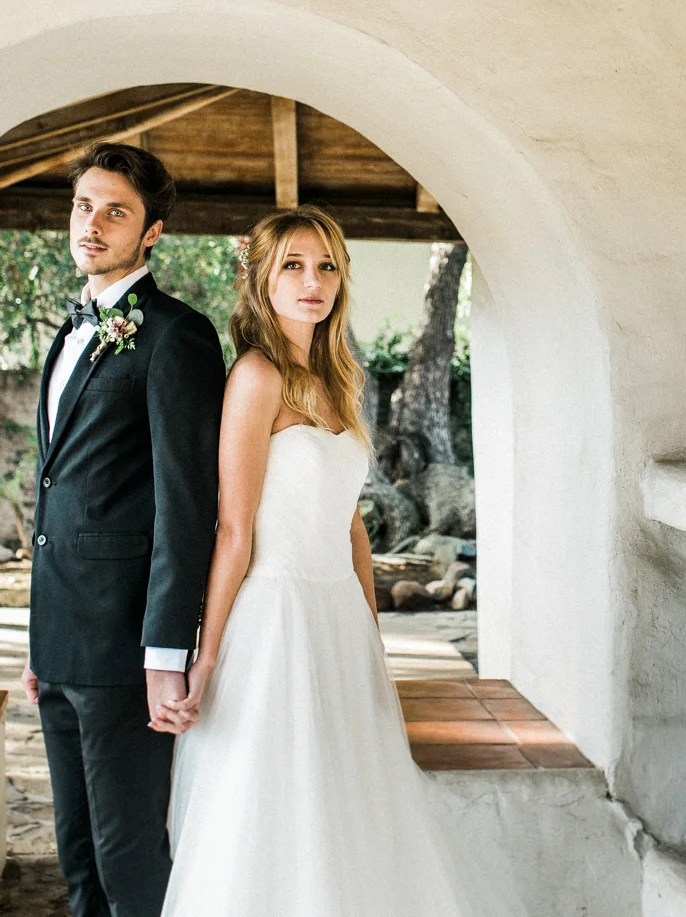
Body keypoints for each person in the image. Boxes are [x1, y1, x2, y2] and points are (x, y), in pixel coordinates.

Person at [157, 207, 505, 917]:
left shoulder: (339, 377)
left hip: (338, 617)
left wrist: (371, 636)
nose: (312, 281)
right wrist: (209, 650)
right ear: (262, 280)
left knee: (353, 796)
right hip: (275, 615)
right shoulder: (256, 377)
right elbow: (233, 526)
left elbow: (351, 524)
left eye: (325, 266)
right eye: (292, 264)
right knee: (277, 803)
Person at [21, 142, 227, 917]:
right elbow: (57, 499)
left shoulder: (176, 337)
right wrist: (40, 644)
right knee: (75, 856)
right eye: (84, 205)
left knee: (130, 859)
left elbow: (186, 507)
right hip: (61, 645)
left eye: (116, 211)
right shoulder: (68, 330)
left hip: (127, 649)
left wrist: (166, 652)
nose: (93, 223)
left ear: (152, 233)